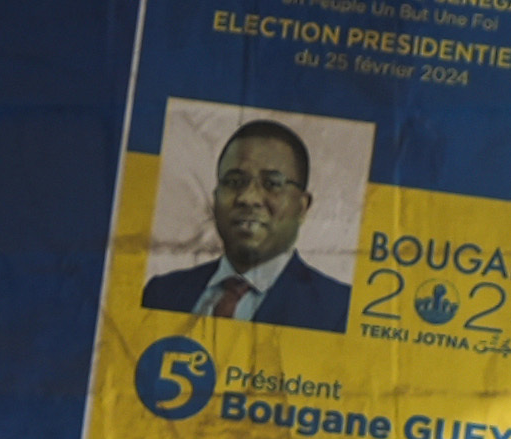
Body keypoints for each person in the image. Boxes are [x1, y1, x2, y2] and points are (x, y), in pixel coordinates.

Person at [137, 121, 352, 332]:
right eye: (234, 182)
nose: (248, 198)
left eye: (272, 184)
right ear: (215, 198)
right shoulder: (161, 294)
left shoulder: (340, 310)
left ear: (302, 207)